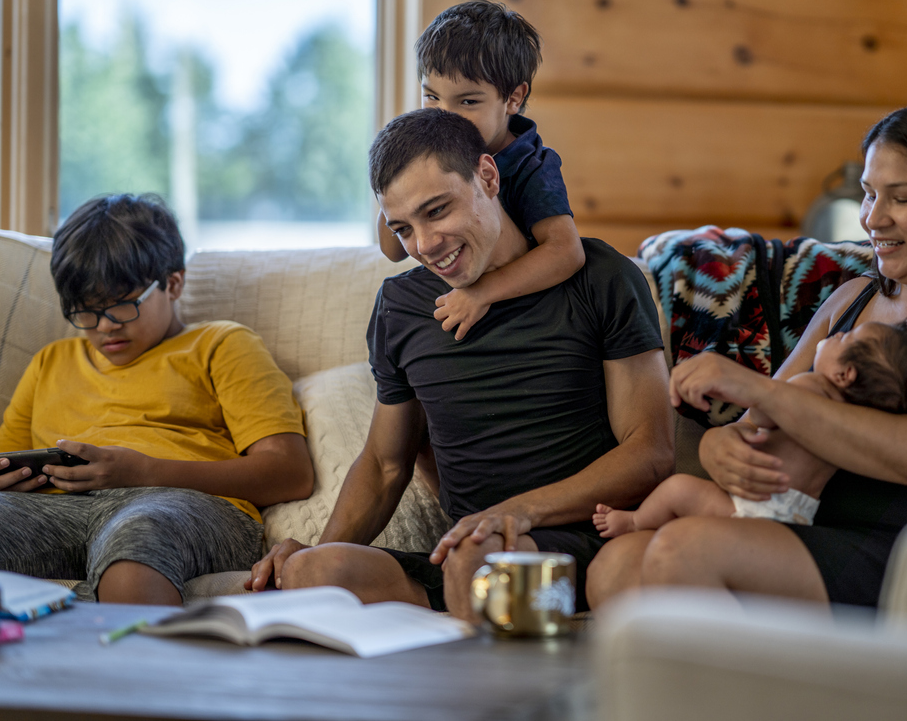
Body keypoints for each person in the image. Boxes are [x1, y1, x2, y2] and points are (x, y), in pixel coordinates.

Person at [586, 99, 907, 609]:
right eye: (868, 193)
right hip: (814, 527)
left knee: (684, 551)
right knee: (617, 567)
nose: (872, 219)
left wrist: (754, 387)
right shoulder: (851, 299)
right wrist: (719, 450)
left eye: (900, 198)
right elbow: (749, 425)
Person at [248, 108, 673, 619]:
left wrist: (514, 513)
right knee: (313, 575)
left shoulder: (601, 277)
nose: (425, 246)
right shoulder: (401, 307)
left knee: (480, 564)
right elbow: (385, 465)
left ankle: (466, 651)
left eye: (438, 210)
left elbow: (650, 451)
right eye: (404, 228)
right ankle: (461, 623)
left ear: (488, 177)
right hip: (464, 552)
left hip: (584, 542)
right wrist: (316, 551)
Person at [0, 194, 313, 605]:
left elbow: (289, 471)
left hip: (178, 506)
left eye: (121, 307)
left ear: (173, 283)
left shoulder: (221, 344)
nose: (104, 328)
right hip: (50, 513)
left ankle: (132, 664)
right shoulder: (51, 361)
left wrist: (144, 471)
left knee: (140, 537)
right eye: (86, 313)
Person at [594, 321, 907, 534]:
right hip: (796, 519)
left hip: (753, 509)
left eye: (847, 337)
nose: (838, 333)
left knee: (678, 489)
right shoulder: (852, 424)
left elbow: (760, 418)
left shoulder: (810, 388)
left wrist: (743, 393)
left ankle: (635, 522)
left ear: (844, 374)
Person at [376, 0, 585, 341]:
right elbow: (394, 251)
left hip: (525, 313)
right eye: (431, 98)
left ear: (513, 99)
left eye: (468, 101)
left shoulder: (532, 164)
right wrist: (396, 168)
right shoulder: (424, 160)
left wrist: (481, 292)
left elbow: (566, 251)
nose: (444, 115)